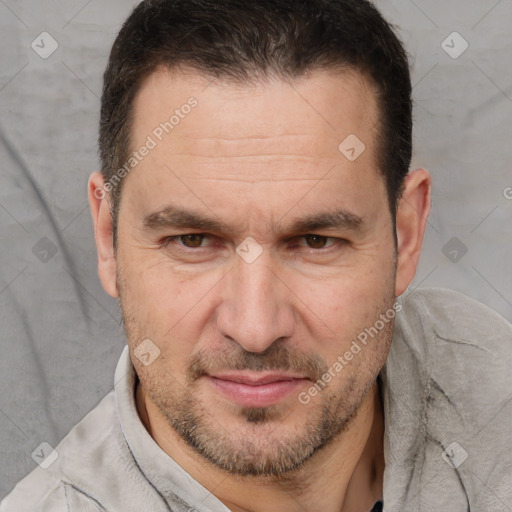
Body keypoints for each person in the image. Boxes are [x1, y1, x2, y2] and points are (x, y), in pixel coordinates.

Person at [2, 0, 511, 510]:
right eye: (192, 240)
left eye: (316, 241)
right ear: (108, 238)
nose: (255, 328)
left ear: (406, 236)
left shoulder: (492, 380)